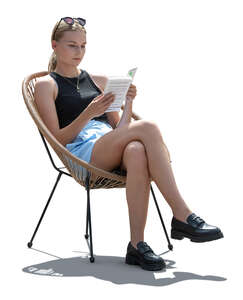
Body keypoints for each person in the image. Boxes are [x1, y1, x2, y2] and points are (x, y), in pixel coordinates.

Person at [34, 17, 224, 272]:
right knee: (150, 127)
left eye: (83, 46)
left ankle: (136, 245)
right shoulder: (46, 85)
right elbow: (57, 140)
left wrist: (128, 104)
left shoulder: (98, 80)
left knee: (136, 150)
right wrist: (88, 114)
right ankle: (182, 215)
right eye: (72, 45)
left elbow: (120, 130)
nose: (79, 52)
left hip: (109, 144)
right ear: (54, 45)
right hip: (82, 155)